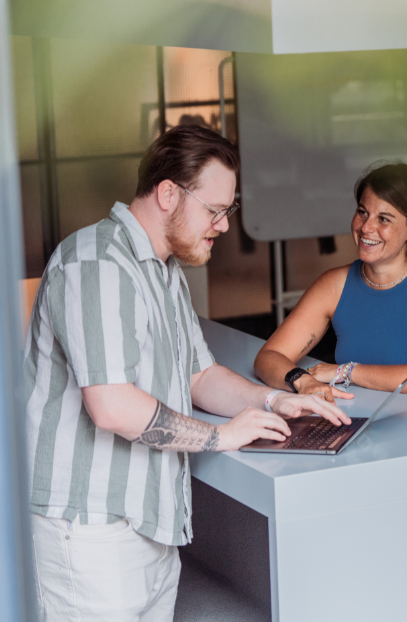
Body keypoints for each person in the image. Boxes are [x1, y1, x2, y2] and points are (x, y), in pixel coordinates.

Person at [24, 124, 349, 622]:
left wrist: (271, 401)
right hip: (91, 532)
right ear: (169, 194)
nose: (222, 225)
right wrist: (220, 436)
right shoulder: (96, 264)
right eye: (214, 210)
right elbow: (111, 405)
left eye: (227, 211)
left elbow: (199, 375)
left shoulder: (163, 269)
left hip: (149, 525)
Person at [254, 162, 407, 405]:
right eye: (363, 212)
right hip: (354, 423)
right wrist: (303, 381)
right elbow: (269, 357)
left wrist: (344, 371)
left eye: (383, 219)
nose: (366, 227)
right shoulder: (334, 284)